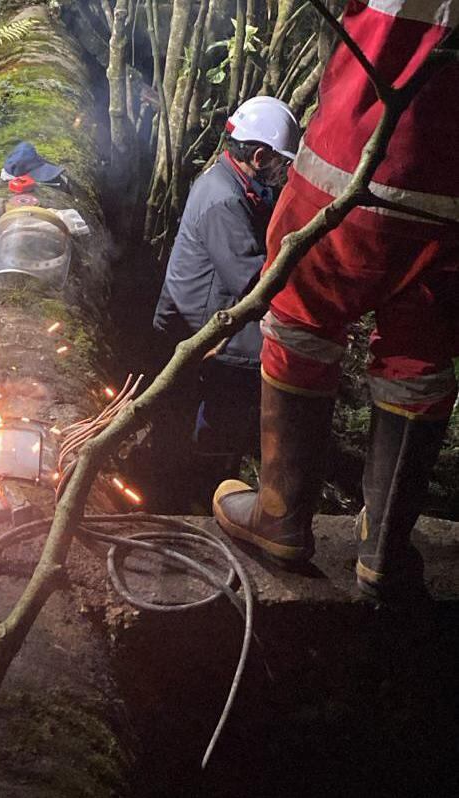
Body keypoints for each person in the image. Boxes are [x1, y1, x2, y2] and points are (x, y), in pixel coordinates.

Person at [213, 0, 458, 600]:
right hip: (453, 195)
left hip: (357, 157)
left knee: (301, 311)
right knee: (422, 352)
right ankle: (381, 553)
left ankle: (281, 515)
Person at [152, 97, 300, 508]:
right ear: (257, 155)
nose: (282, 171)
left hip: (200, 308)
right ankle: (208, 485)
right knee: (252, 367)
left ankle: (211, 469)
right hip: (201, 326)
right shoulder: (224, 200)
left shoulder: (237, 182)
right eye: (279, 162)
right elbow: (253, 281)